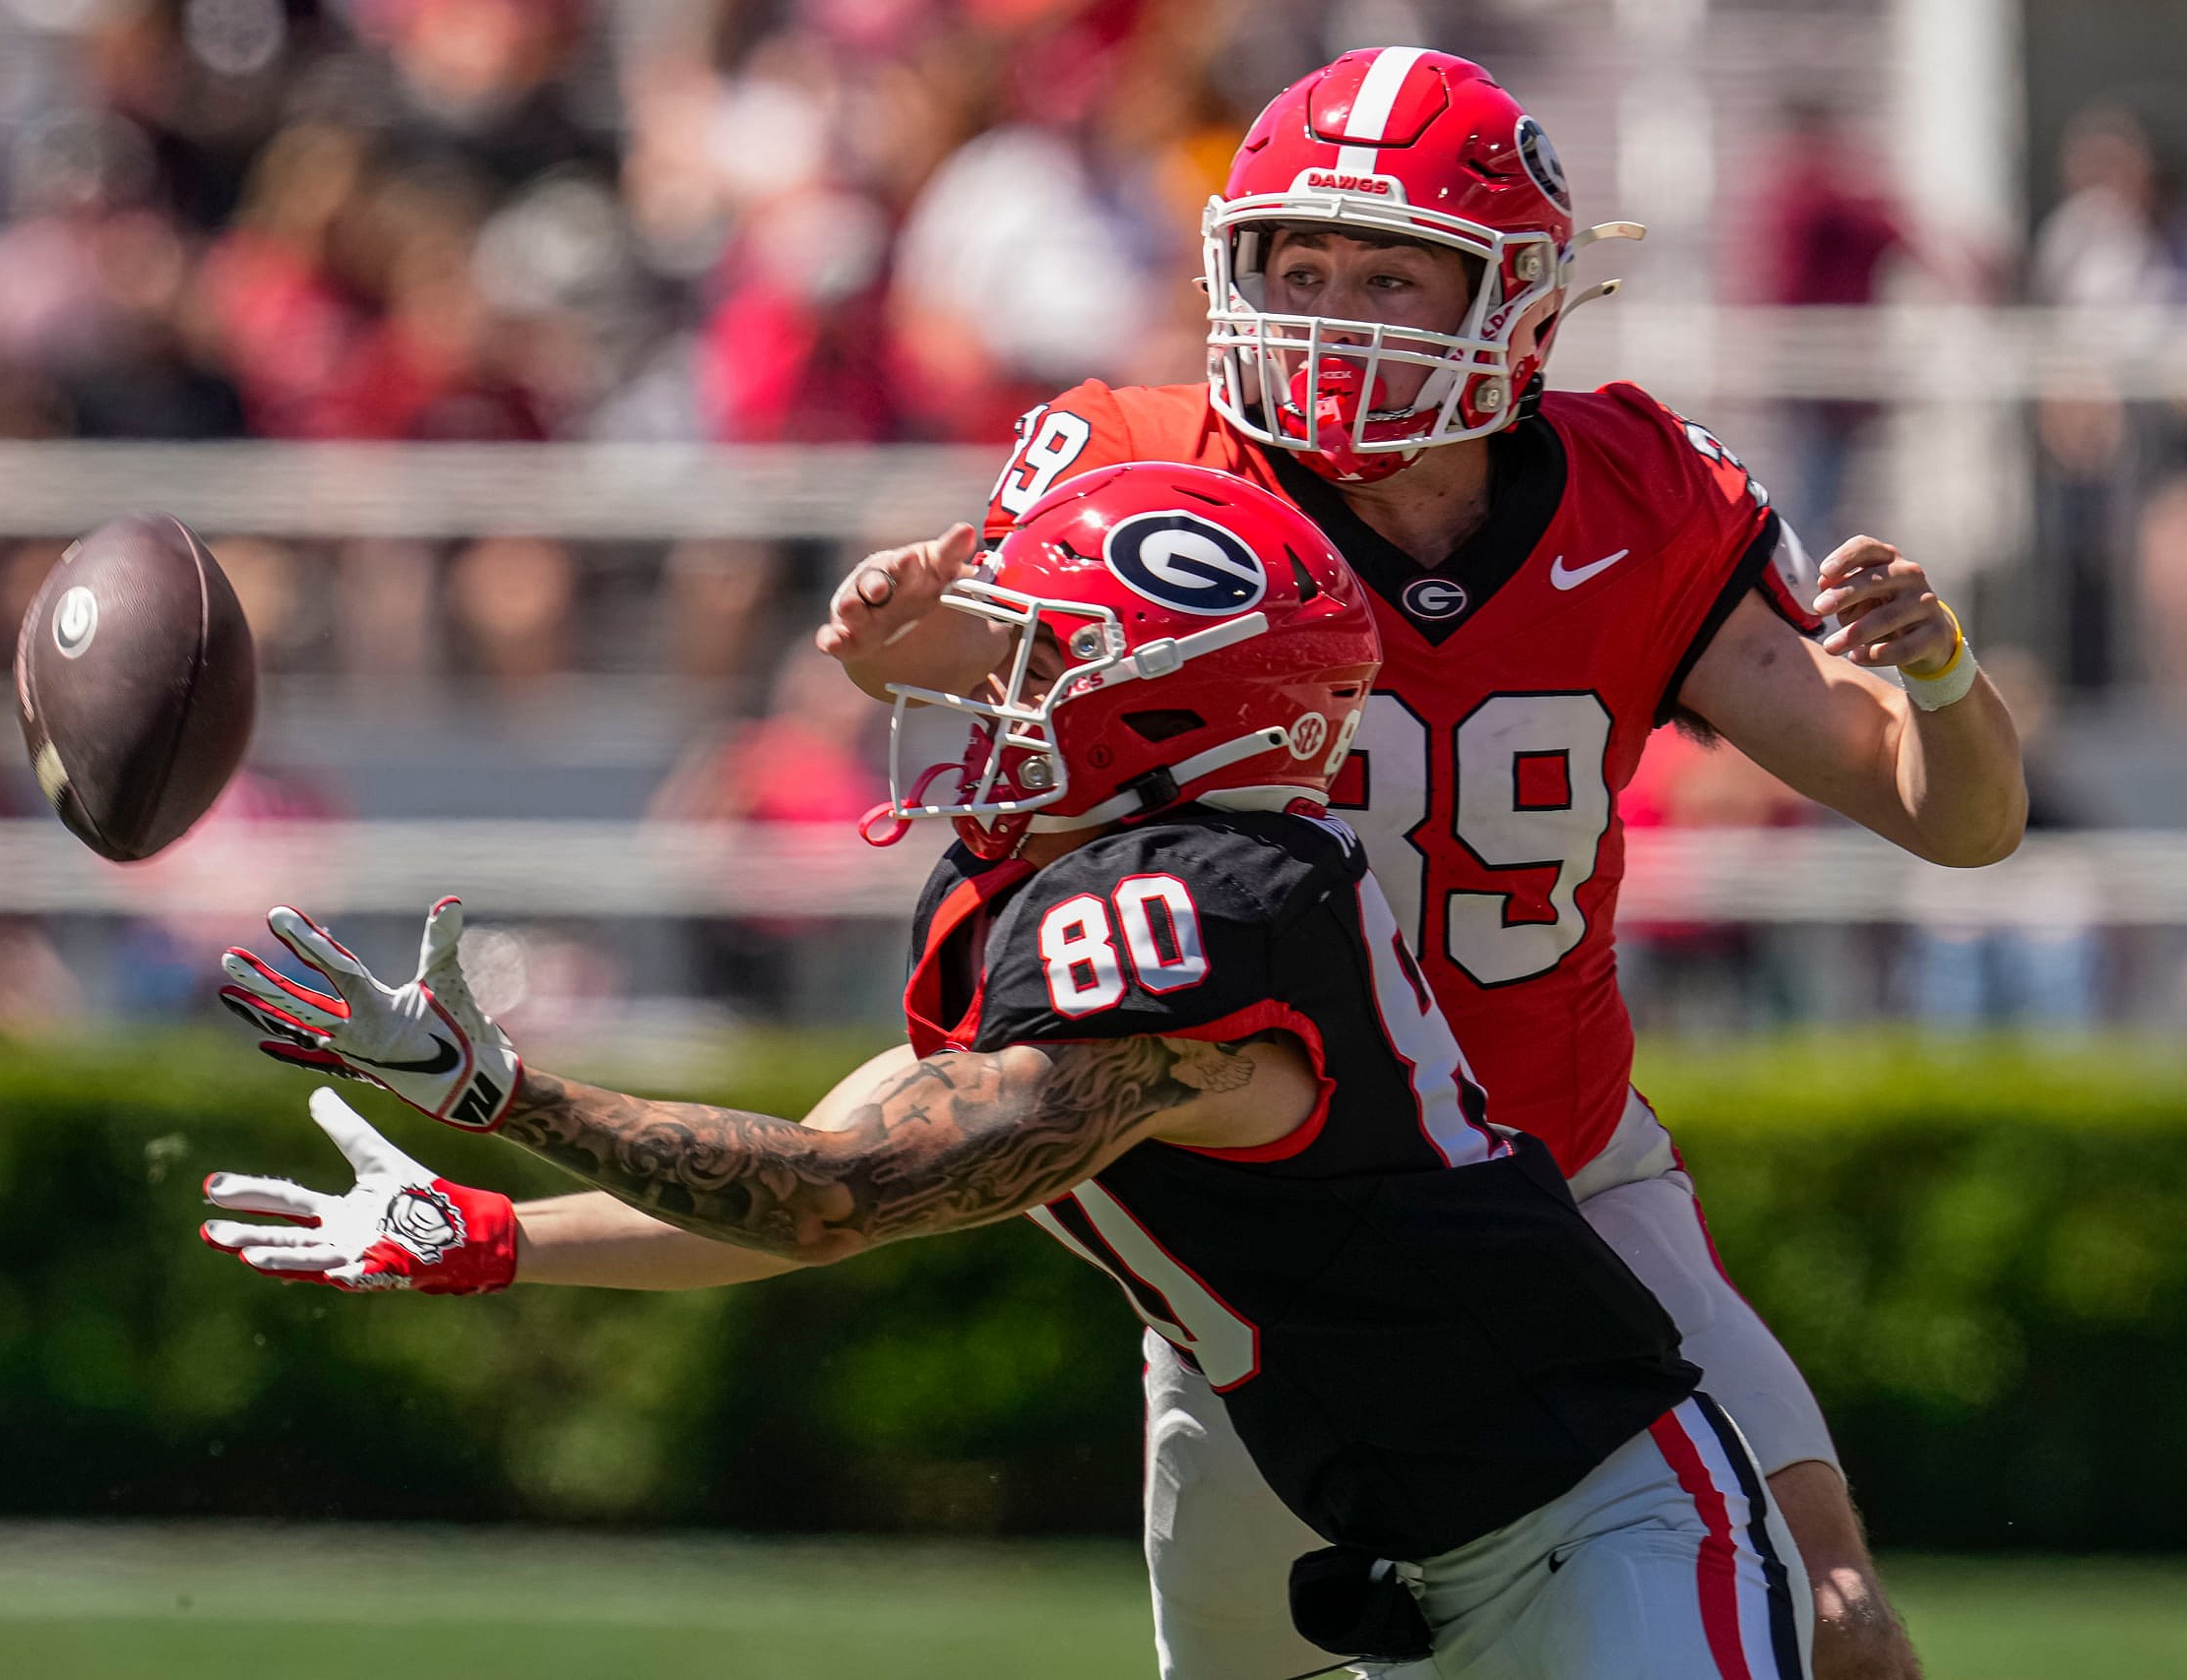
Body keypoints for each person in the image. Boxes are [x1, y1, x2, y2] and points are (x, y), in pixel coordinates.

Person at [810, 48, 2027, 1680]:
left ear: (1516, 302)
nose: (1334, 310)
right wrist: (909, 634)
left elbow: (1952, 815)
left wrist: (1939, 675)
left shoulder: (1636, 495)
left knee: (1838, 1626)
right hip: (1286, 1239)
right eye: (1297, 266)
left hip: (1567, 1185)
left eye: (1394, 271)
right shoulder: (1151, 462)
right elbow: (981, 655)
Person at [205, 464, 1810, 1679]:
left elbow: (842, 1198)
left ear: (1164, 711)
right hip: (1417, 1543)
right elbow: (817, 1152)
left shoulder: (1205, 920)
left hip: (1606, 1538)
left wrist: (509, 1097)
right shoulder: (1075, 900)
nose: (990, 695)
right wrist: (492, 1235)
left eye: (1043, 660)